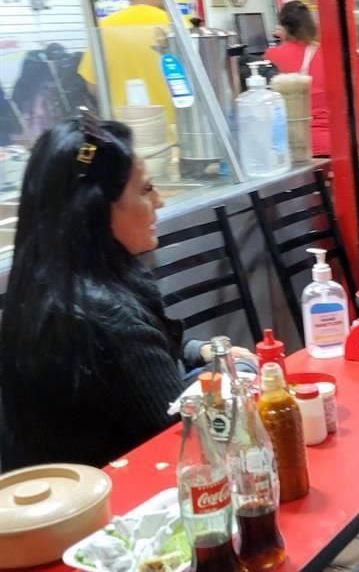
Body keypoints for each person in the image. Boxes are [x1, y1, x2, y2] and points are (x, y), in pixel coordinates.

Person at [0, 118, 255, 470]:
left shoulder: (47, 289)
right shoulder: (106, 320)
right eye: (146, 189)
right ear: (96, 210)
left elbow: (140, 362)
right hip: (108, 507)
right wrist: (237, 375)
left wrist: (202, 351)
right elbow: (181, 443)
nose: (160, 202)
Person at [77, 0, 178, 125]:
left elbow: (92, 86)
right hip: (174, 133)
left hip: (123, 136)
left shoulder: (102, 28)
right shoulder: (176, 26)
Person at [264, 0, 330, 156]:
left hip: (293, 146)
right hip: (331, 143)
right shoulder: (327, 53)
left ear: (284, 28)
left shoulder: (272, 56)